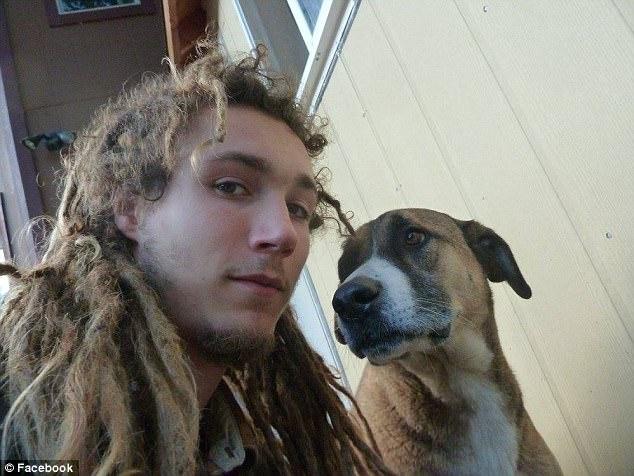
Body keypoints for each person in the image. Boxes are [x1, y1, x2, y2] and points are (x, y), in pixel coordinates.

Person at [0, 41, 391, 475]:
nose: (284, 234)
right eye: (230, 186)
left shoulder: (257, 454)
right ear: (130, 208)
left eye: (298, 209)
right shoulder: (16, 419)